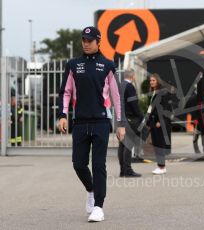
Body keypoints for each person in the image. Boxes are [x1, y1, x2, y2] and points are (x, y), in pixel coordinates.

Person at [57, 26, 125, 222]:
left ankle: (98, 206)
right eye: (83, 40)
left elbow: (116, 96)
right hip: (79, 122)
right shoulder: (73, 64)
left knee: (98, 165)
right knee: (78, 164)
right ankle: (91, 189)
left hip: (101, 122)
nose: (86, 43)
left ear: (98, 41)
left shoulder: (107, 65)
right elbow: (66, 92)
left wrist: (120, 123)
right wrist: (63, 114)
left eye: (89, 40)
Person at [117, 69, 142, 177]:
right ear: (132, 76)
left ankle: (123, 170)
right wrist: (140, 116)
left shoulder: (120, 86)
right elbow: (134, 104)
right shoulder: (130, 87)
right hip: (129, 119)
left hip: (120, 119)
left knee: (122, 145)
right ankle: (128, 170)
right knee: (128, 145)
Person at [148, 73, 172, 174]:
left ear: (158, 81)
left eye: (153, 80)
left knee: (160, 144)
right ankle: (160, 165)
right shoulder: (153, 92)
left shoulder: (163, 92)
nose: (151, 82)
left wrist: (160, 121)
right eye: (150, 80)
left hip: (160, 122)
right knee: (156, 144)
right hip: (153, 121)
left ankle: (161, 167)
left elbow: (166, 108)